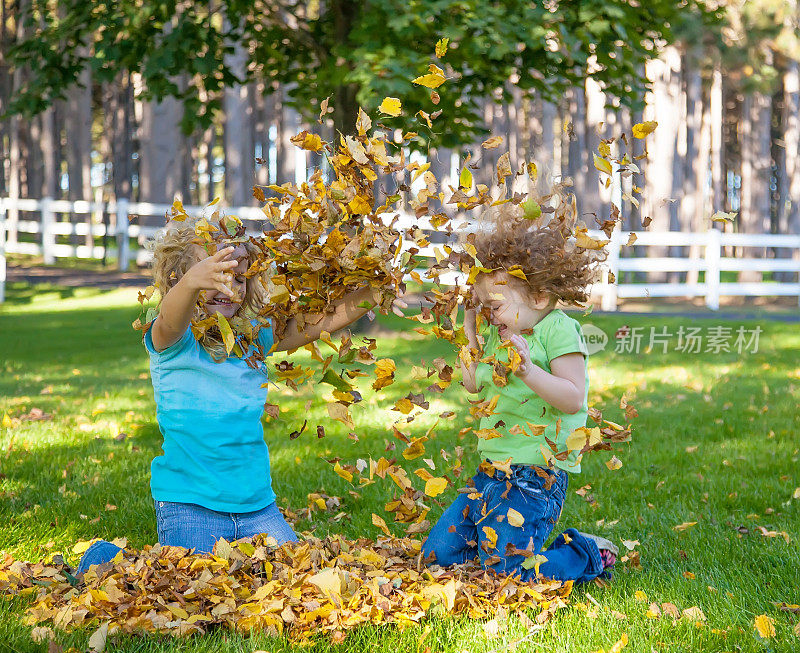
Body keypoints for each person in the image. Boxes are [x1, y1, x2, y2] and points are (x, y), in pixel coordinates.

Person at [78, 217, 403, 572]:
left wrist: (375, 292)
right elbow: (172, 317)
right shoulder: (173, 341)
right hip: (190, 507)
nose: (228, 285)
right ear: (179, 279)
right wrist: (191, 282)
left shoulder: (252, 339)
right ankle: (103, 559)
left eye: (238, 277)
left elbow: (316, 324)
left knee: (293, 583)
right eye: (215, 274)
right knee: (194, 597)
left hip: (257, 508)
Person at [422, 192, 618, 583]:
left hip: (536, 475)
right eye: (482, 307)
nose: (488, 315)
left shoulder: (557, 330)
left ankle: (586, 554)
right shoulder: (501, 332)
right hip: (491, 473)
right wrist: (470, 333)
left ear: (539, 296)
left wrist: (529, 372)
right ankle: (497, 546)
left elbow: (572, 398)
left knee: (507, 572)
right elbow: (473, 385)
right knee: (436, 558)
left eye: (492, 305)